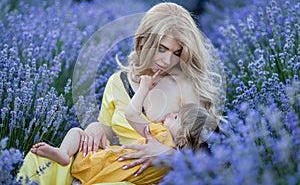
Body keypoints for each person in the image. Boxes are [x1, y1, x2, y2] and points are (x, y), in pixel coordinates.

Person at [18, 2, 223, 184]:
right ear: (143, 42)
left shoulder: (186, 86)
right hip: (112, 161)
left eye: (176, 53)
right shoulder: (117, 82)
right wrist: (95, 127)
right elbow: (110, 131)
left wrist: (169, 154)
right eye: (162, 49)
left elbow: (205, 151)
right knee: (39, 161)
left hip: (149, 177)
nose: (168, 61)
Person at [30, 72, 218, 184]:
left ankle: (63, 153)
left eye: (175, 117)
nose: (169, 115)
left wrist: (143, 87)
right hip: (109, 178)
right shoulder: (174, 170)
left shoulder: (160, 134)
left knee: (76, 132)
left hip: (93, 163)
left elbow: (131, 114)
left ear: (182, 139)